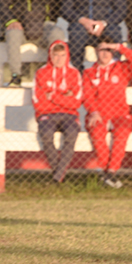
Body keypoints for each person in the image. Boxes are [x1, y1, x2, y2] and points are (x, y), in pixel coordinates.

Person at [82, 37, 132, 189]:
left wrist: (118, 47)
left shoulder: (121, 68)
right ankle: (108, 175)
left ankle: (111, 172)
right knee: (96, 133)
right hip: (99, 114)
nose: (105, 54)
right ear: (96, 51)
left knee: (121, 133)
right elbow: (87, 96)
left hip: (119, 113)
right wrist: (94, 111)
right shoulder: (89, 72)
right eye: (102, 49)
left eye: (109, 50)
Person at [0, 0, 65, 87]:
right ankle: (16, 76)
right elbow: (2, 3)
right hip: (21, 27)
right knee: (12, 34)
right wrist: (11, 21)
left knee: (57, 33)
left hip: (43, 27)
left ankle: (55, 75)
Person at [32, 40, 82, 184]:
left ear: (67, 56)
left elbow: (76, 102)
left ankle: (57, 176)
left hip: (69, 115)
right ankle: (59, 175)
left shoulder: (74, 73)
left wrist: (53, 96)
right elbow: (39, 102)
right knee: (46, 134)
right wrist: (65, 96)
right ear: (50, 56)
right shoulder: (41, 73)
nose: (59, 59)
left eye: (62, 55)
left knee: (72, 133)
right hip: (46, 115)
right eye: (56, 55)